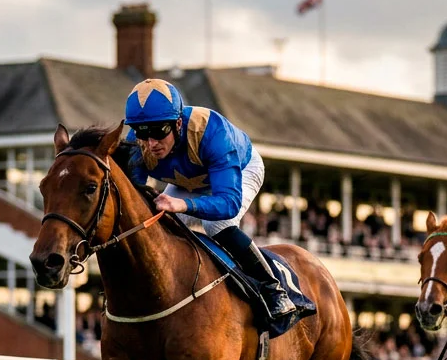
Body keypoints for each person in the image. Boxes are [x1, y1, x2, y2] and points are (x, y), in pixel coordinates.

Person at [121, 78, 312, 325]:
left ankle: (274, 289)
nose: (151, 143)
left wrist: (184, 205)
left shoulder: (212, 133)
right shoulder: (137, 143)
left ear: (178, 123)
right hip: (189, 180)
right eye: (143, 133)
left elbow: (229, 203)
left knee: (217, 226)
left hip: (240, 171)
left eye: (159, 132)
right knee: (158, 222)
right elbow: (134, 198)